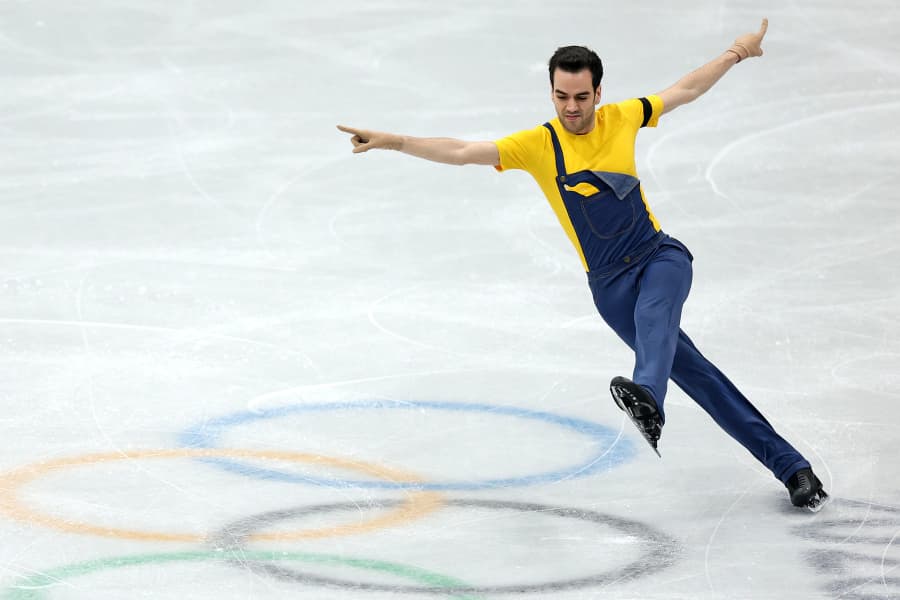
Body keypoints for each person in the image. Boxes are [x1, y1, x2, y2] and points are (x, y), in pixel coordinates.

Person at [337, 19, 828, 511]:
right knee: (700, 377)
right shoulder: (539, 145)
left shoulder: (623, 116)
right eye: (561, 96)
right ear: (552, 93)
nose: (571, 108)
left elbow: (686, 88)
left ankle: (648, 400)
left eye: (581, 96)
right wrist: (394, 141)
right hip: (610, 289)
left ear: (597, 92)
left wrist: (738, 51)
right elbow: (465, 151)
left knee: (657, 318)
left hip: (660, 257)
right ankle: (794, 469)